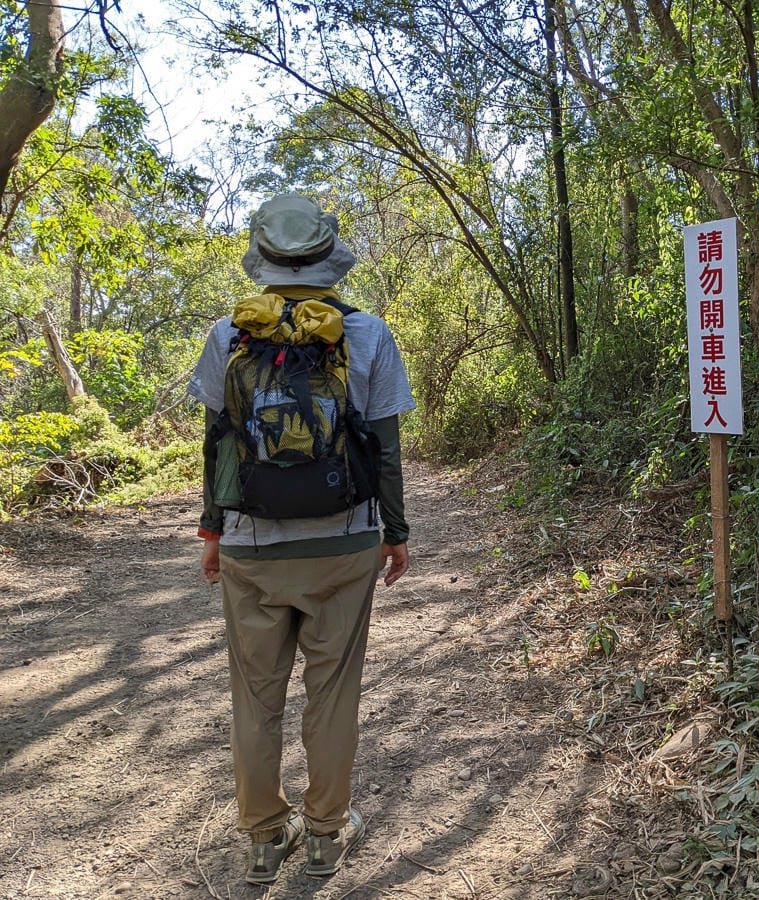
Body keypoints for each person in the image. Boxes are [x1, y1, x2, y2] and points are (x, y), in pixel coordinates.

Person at [187, 193, 415, 884]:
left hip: (251, 545)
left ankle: (263, 837)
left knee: (255, 697)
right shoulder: (367, 333)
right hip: (343, 543)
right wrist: (396, 532)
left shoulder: (229, 334)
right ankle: (324, 832)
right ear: (328, 255)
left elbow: (217, 443)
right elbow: (385, 450)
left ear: (263, 256)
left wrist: (213, 530)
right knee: (332, 693)